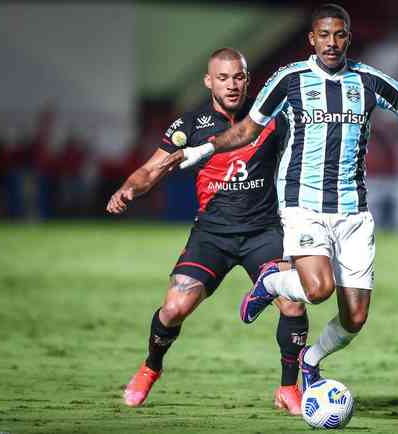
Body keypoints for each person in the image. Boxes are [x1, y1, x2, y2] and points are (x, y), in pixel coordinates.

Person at [159, 4, 398, 391]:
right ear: (311, 39)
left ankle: (311, 361)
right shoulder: (289, 79)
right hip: (304, 204)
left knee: (355, 319)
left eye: (339, 35)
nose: (332, 43)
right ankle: (271, 284)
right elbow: (248, 129)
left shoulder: (370, 81)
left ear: (348, 37)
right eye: (324, 36)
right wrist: (201, 151)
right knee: (318, 289)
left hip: (353, 212)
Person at [106, 48, 308, 415]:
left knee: (292, 302)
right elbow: (151, 169)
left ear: (248, 80)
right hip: (213, 234)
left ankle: (288, 388)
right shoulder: (191, 126)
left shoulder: (271, 118)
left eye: (238, 77)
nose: (232, 85)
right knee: (174, 307)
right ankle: (151, 367)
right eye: (223, 78)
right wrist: (128, 189)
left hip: (264, 232)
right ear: (208, 81)